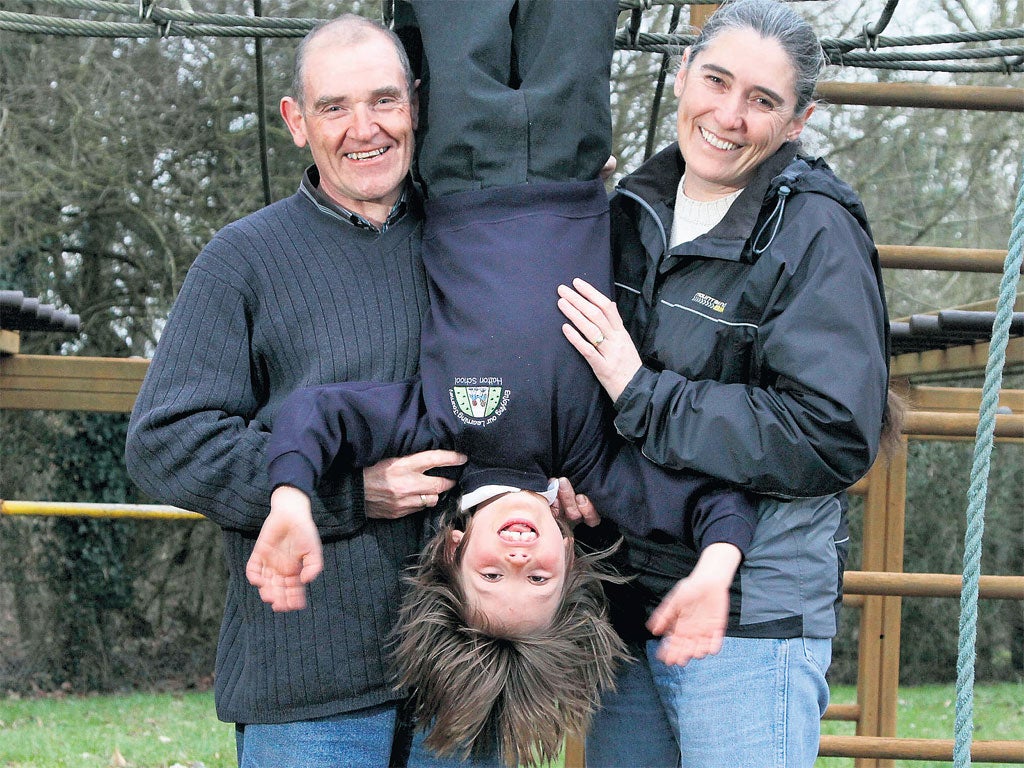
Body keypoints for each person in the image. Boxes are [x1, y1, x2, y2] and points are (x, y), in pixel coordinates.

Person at [246, 2, 761, 765]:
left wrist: (290, 495)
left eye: (495, 574)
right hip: (569, 154)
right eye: (537, 575)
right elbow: (714, 500)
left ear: (453, 550)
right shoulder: (595, 468)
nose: (518, 552)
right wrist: (717, 568)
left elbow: (321, 414)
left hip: (465, 164)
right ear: (568, 560)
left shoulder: (441, 441)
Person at [124, 15, 485, 768]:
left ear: (415, 104)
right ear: (296, 122)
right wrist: (348, 494)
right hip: (308, 691)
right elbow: (167, 442)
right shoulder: (243, 260)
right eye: (334, 107)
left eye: (384, 101)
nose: (365, 129)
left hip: (466, 675)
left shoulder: (476, 243)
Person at [556, 0, 894, 765]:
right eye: (716, 80)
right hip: (627, 594)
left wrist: (644, 395)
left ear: (798, 120)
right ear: (682, 75)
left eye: (763, 100)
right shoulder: (627, 210)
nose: (729, 115)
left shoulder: (814, 233)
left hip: (753, 612)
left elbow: (831, 432)